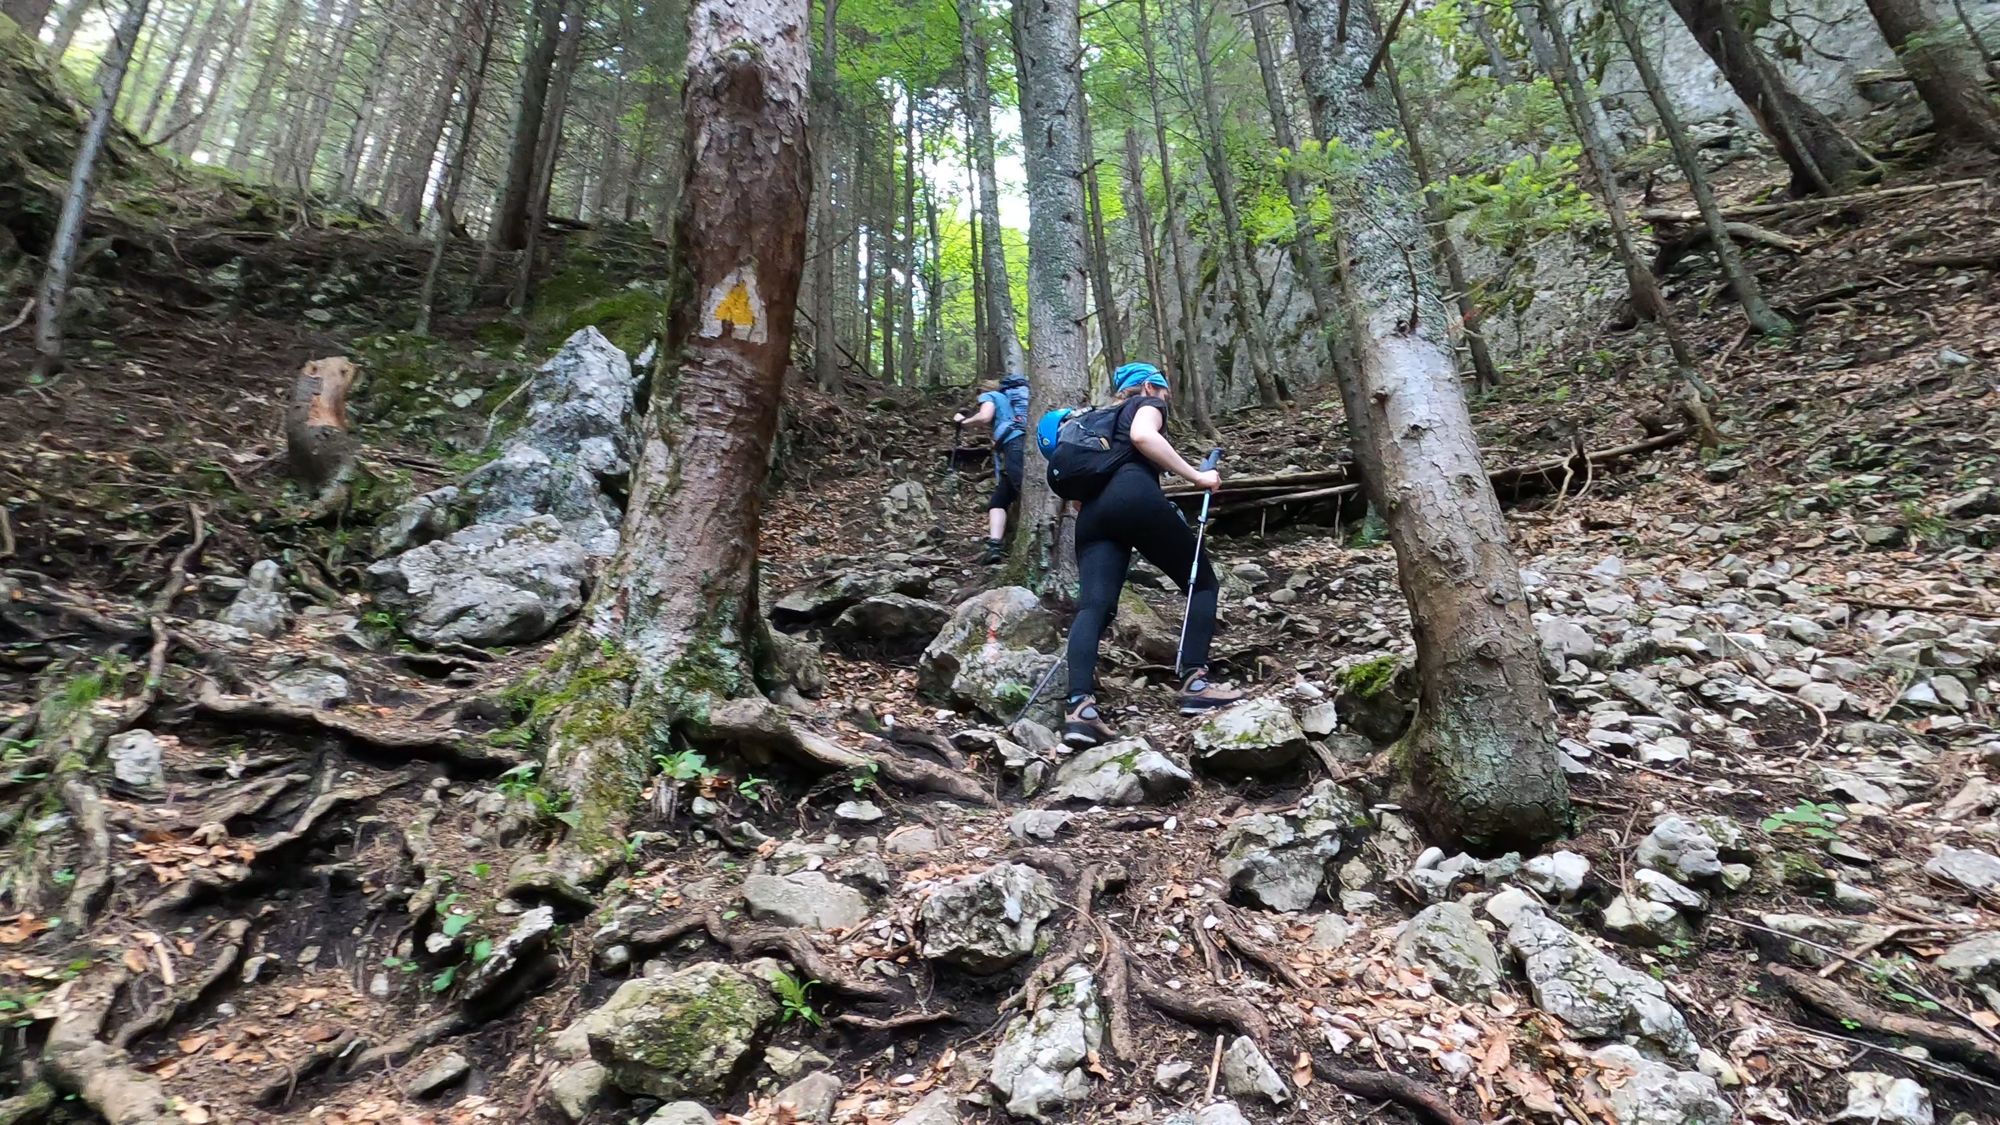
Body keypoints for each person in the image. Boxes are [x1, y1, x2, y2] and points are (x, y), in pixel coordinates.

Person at [1061, 362, 1241, 748]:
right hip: (1134, 496)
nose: (1166, 400)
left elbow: (1076, 498)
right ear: (1147, 386)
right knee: (1203, 584)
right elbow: (1144, 437)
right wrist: (1198, 476)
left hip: (1091, 518)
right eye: (1165, 392)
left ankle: (1079, 709)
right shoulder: (1145, 404)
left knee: (1093, 608)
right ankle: (1195, 681)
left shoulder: (1093, 421)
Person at [953, 373, 1030, 564]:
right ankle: (995, 546)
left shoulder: (990, 396)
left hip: (1014, 444)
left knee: (1025, 488)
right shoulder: (1017, 401)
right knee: (998, 500)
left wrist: (963, 421)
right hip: (1024, 444)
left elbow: (985, 416)